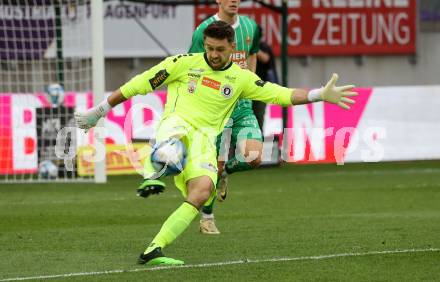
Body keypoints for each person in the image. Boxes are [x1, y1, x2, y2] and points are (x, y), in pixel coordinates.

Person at [75, 21, 357, 266]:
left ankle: (153, 249)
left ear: (231, 48)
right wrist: (98, 111)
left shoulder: (241, 78)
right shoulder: (182, 64)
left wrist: (319, 93)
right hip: (177, 127)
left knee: (201, 191)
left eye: (220, 50)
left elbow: (279, 94)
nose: (213, 54)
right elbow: (137, 84)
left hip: (205, 143)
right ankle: (155, 174)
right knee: (172, 148)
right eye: (209, 48)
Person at [189, 0, 263, 235]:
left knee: (254, 157)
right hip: (215, 107)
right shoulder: (203, 30)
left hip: (242, 105)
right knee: (213, 164)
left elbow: (252, 57)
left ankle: (227, 171)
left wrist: (250, 85)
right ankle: (207, 218)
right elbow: (193, 66)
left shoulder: (251, 27)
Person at [253, 25, 278, 130]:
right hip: (246, 86)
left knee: (259, 114)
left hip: (260, 87)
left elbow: (266, 58)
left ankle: (258, 138)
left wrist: (253, 49)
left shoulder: (263, 47)